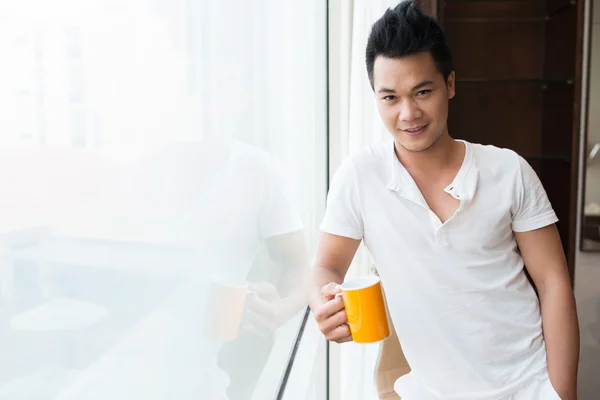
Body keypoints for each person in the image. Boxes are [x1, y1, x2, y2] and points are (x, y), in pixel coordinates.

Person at [308, 2, 579, 400]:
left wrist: (561, 393)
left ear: (449, 84)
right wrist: (322, 301)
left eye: (422, 91)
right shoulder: (360, 177)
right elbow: (326, 264)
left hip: (530, 385)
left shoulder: (509, 171)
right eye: (390, 98)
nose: (408, 113)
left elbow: (553, 282)